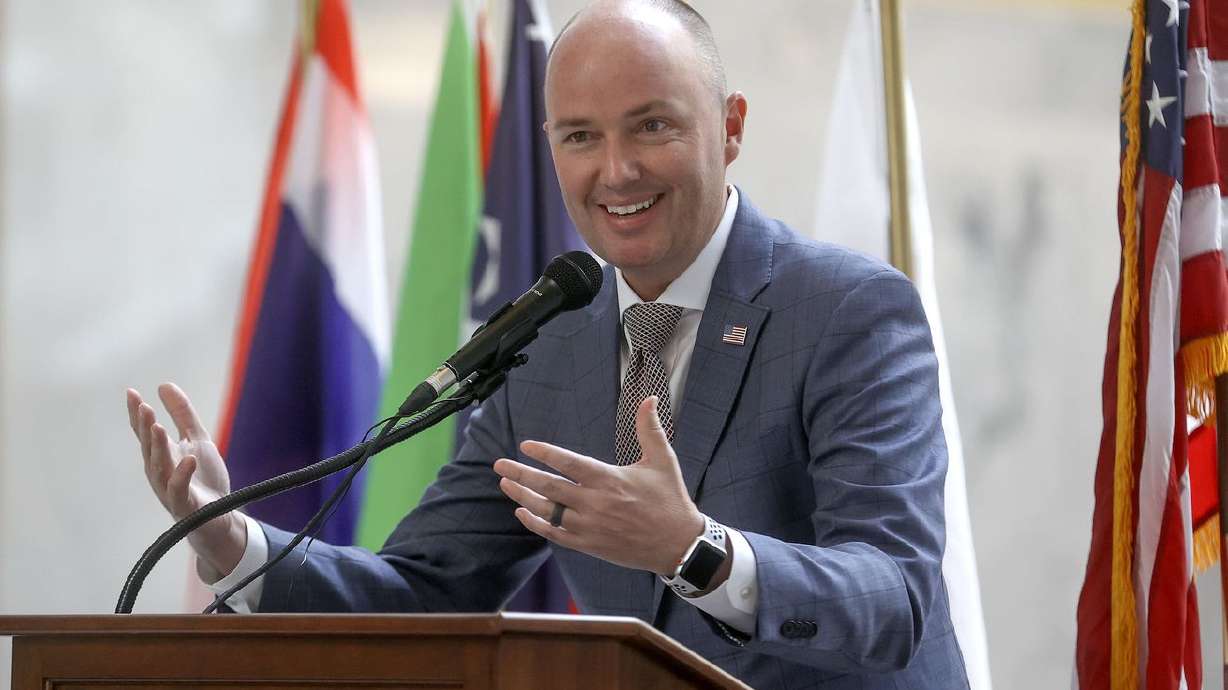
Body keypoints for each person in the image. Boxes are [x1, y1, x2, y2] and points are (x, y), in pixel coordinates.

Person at [126, 1, 969, 687]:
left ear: (731, 126)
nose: (617, 171)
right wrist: (227, 539)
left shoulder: (849, 310)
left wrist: (697, 549)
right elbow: (428, 589)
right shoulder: (554, 340)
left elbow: (894, 596)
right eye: (580, 137)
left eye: (651, 127)